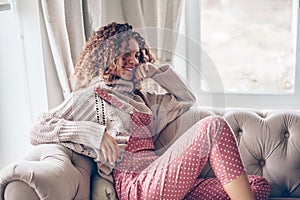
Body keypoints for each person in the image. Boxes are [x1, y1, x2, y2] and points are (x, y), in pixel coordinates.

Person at [30, 22, 270, 199]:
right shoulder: (91, 97)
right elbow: (39, 129)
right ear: (108, 55)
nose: (134, 61)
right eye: (127, 54)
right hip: (137, 186)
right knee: (213, 126)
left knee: (258, 186)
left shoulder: (142, 99)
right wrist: (95, 134)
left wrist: (158, 72)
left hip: (163, 179)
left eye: (137, 55)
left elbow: (187, 99)